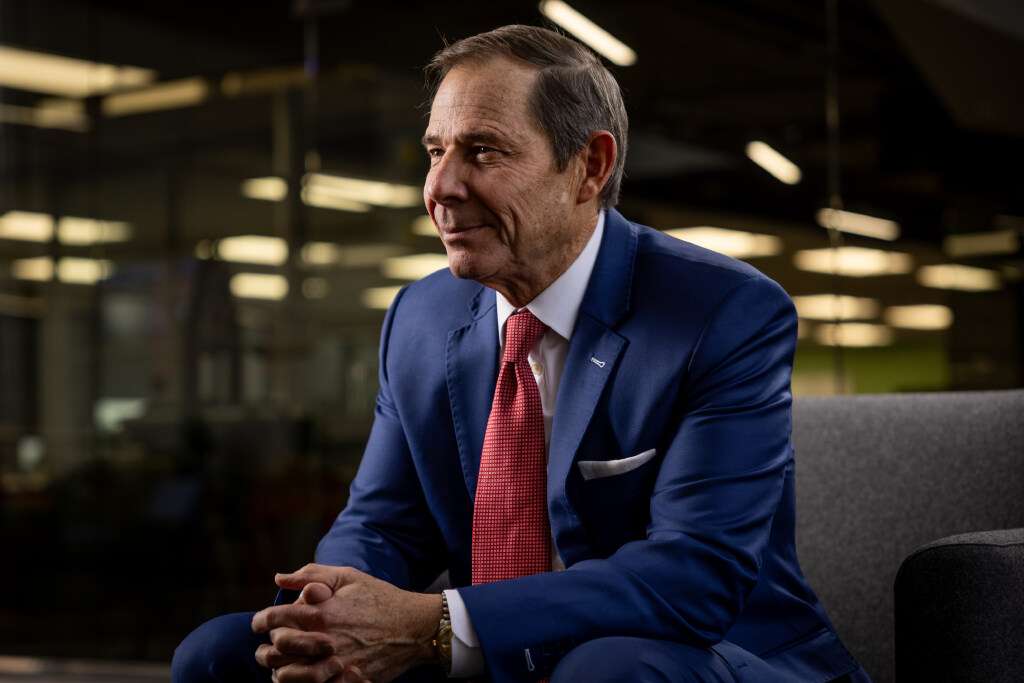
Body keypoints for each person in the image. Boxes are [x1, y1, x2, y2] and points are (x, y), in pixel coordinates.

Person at [172, 24, 870, 683]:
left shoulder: (723, 313)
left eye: (482, 151)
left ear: (589, 167)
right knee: (223, 655)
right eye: (435, 150)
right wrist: (332, 611)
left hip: (701, 651)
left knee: (605, 673)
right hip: (489, 650)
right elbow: (382, 524)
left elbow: (693, 577)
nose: (440, 188)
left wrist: (437, 625)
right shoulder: (420, 315)